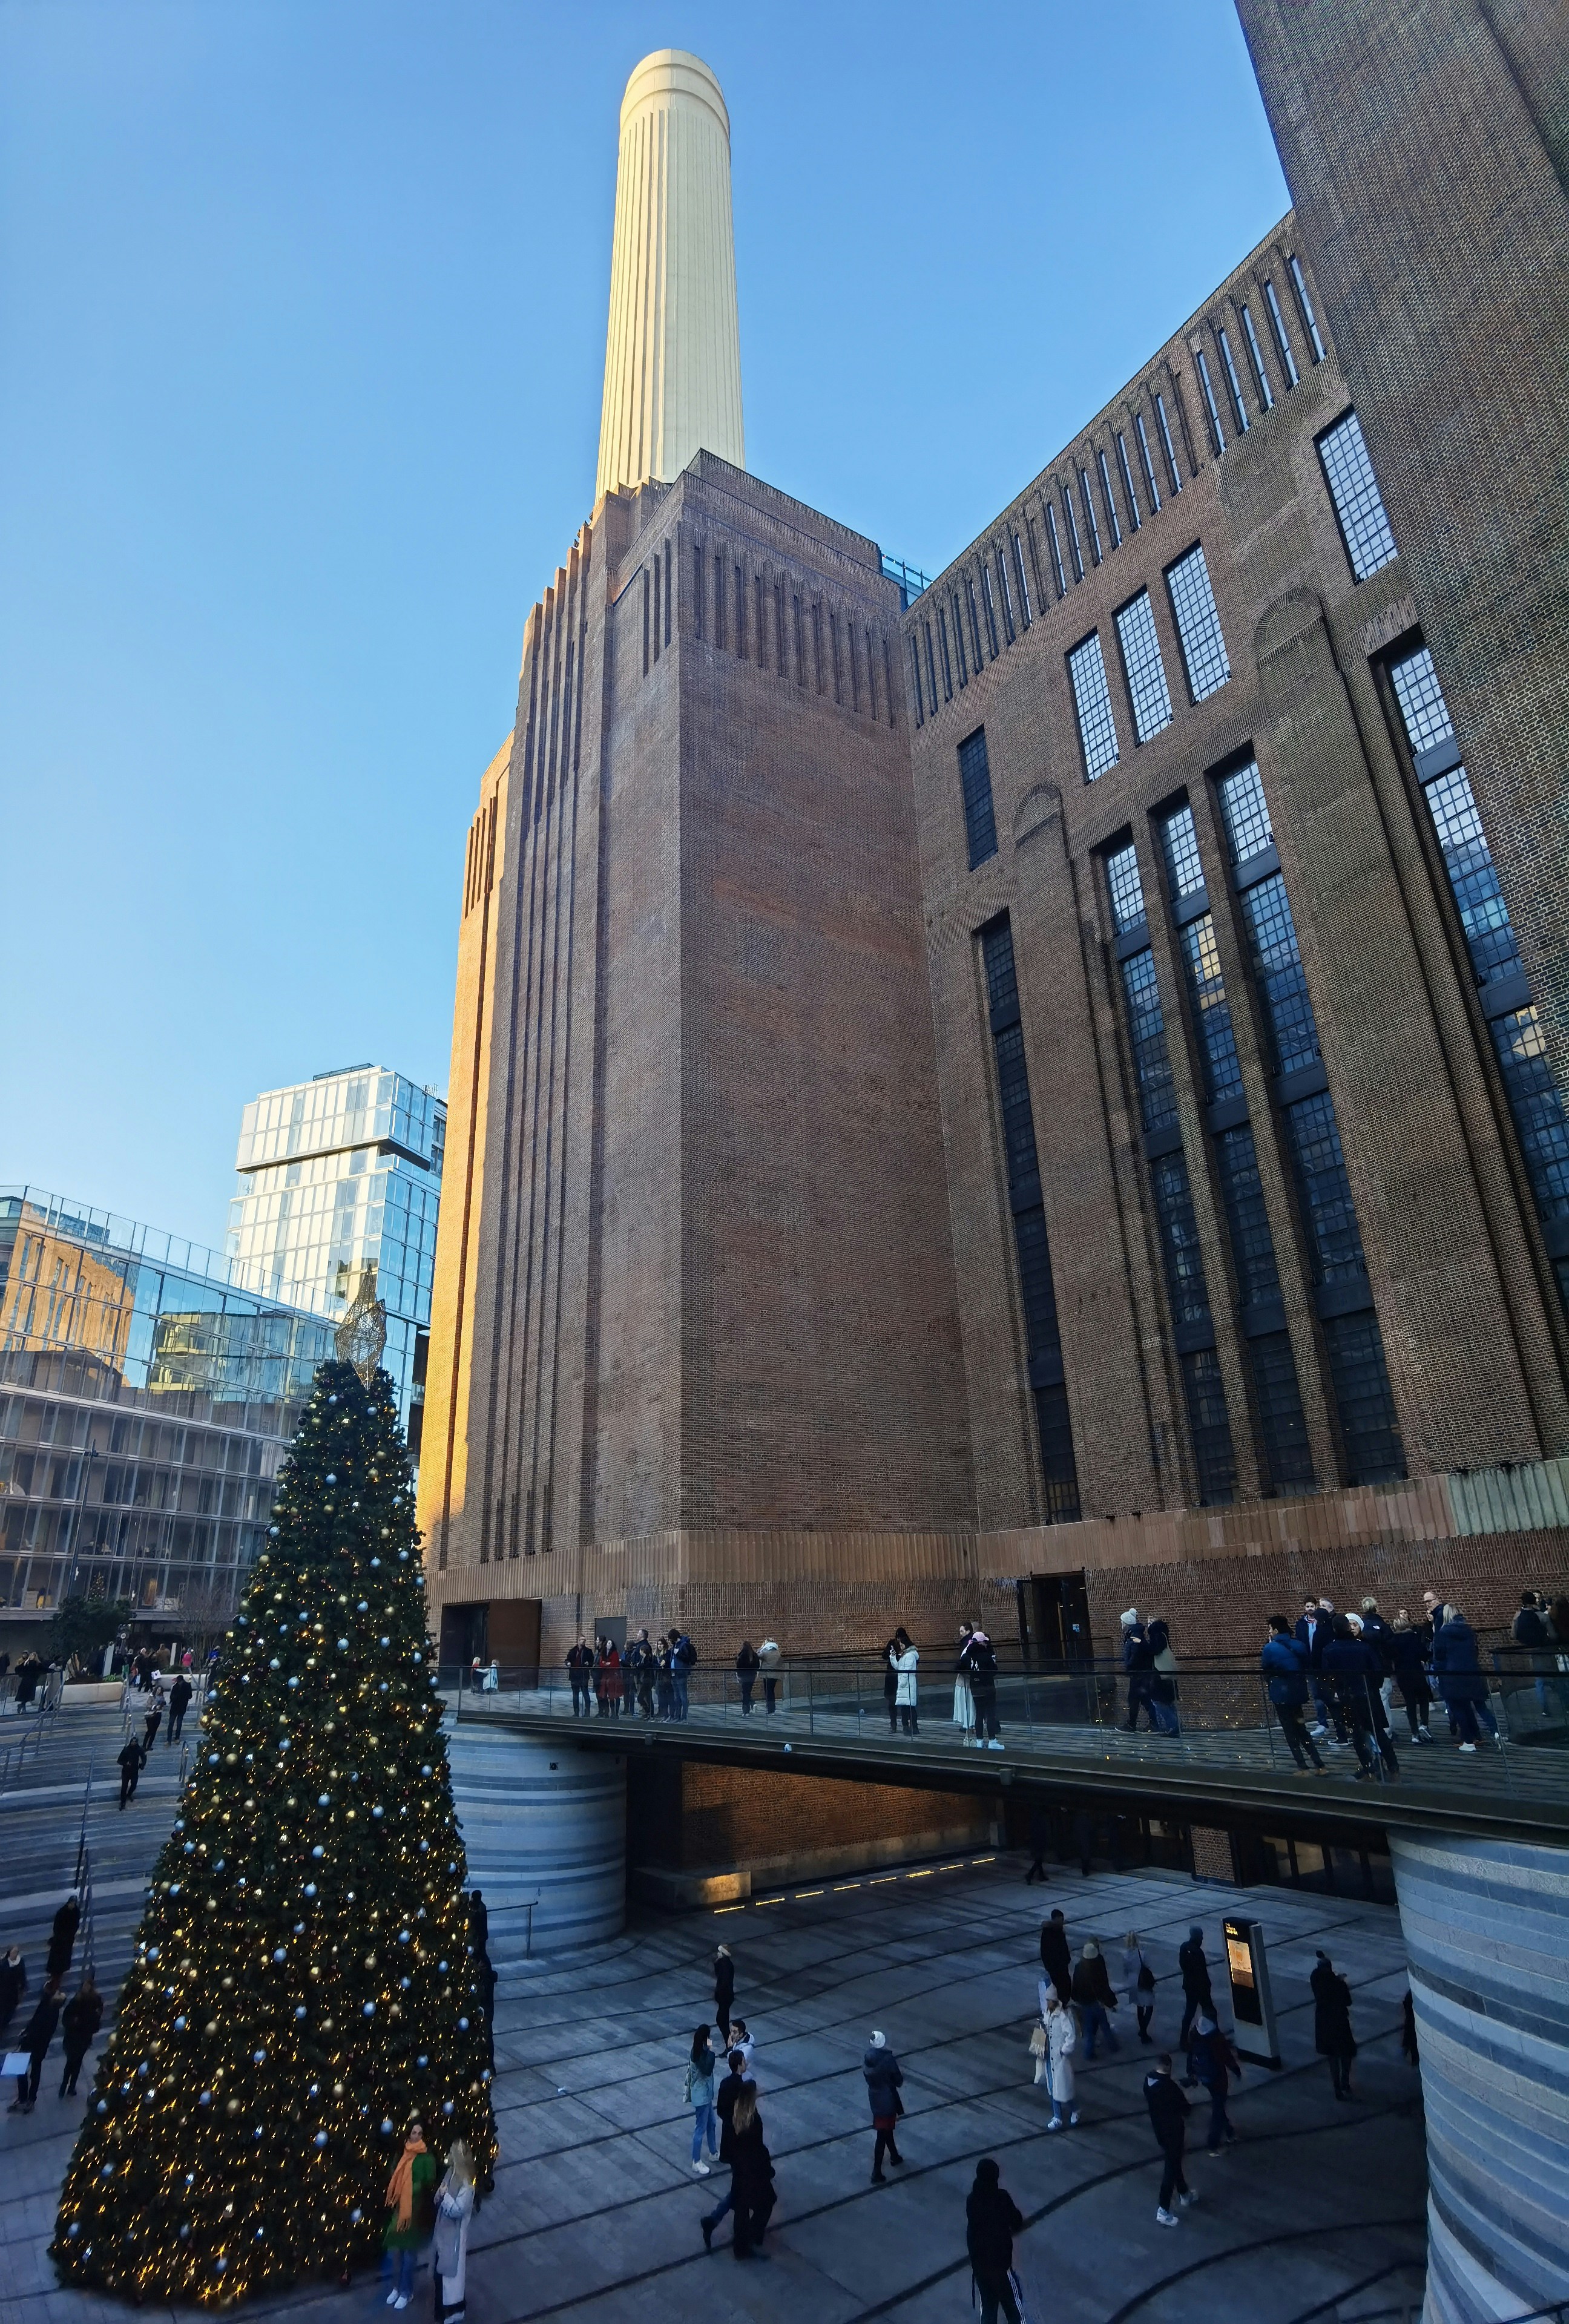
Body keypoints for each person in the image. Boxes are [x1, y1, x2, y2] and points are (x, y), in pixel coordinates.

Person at [1323, 1612, 1400, 1780]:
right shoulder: (1363, 1647)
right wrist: (1373, 1687)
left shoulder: (1330, 1650)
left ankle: (1368, 1769)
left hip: (1348, 1697)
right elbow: (1377, 1671)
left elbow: (1328, 1676)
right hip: (1368, 1695)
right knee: (1379, 1733)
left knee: (1357, 1736)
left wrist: (1336, 1692)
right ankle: (1393, 1768)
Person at [700, 2047, 752, 2251]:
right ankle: (715, 2222)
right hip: (740, 2145)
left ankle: (713, 2221)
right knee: (740, 2189)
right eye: (744, 2061)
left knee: (737, 2188)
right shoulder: (742, 2088)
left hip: (729, 2143)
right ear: (740, 2065)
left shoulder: (724, 2083)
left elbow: (721, 2110)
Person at [381, 2118, 436, 2309]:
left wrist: (412, 2186)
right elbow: (393, 2171)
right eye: (414, 2133)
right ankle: (396, 2288)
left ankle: (407, 2291)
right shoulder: (402, 2153)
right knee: (396, 2251)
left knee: (409, 2255)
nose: (417, 2137)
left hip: (415, 2211)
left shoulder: (426, 2158)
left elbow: (429, 2181)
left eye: (420, 2134)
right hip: (400, 2210)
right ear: (409, 2134)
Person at [1260, 1615, 1326, 1771]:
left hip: (1281, 1694)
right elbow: (1305, 1665)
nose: (1270, 1632)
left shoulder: (1269, 1648)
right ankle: (1318, 1763)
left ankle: (1302, 1766)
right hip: (1297, 1691)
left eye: (1270, 1629)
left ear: (1275, 1630)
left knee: (1289, 1731)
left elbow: (1265, 1668)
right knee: (1301, 1728)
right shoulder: (1299, 1645)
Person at [965, 2158, 1025, 2324]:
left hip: (980, 2267)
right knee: (1014, 2306)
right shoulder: (1001, 2198)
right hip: (1000, 2266)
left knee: (989, 2308)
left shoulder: (972, 2200)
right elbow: (1016, 2220)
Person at [1431, 1604, 1499, 1750]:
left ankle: (1468, 1742)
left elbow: (1440, 1655)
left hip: (1452, 1674)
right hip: (1471, 1671)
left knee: (1458, 1707)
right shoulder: (1468, 1630)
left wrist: (1437, 1671)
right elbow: (1474, 1650)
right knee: (1478, 1705)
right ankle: (1493, 1733)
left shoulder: (1443, 1633)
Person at [1145, 2053, 1196, 2227]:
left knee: (1174, 2163)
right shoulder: (1170, 2088)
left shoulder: (1148, 2082)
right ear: (1169, 2067)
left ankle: (1184, 2193)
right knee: (1171, 2167)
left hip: (1159, 2131)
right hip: (1174, 2132)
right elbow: (1186, 2110)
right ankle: (1163, 2209)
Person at [728, 2086, 775, 2259]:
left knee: (741, 2208)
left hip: (740, 2170)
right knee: (767, 2202)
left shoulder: (737, 2115)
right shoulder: (753, 2120)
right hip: (753, 2170)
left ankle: (741, 2246)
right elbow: (758, 2148)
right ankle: (751, 2238)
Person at [432, 2139, 475, 2322]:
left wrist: (445, 2196)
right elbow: (438, 2199)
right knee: (438, 2276)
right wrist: (440, 2195)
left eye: (451, 2153)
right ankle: (443, 2311)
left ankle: (452, 2312)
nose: (448, 2156)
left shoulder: (467, 2186)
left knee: (449, 2280)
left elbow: (457, 2210)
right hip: (442, 2234)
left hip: (454, 2239)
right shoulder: (450, 2174)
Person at [9, 1976, 63, 2113]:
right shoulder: (47, 2005)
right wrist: (26, 2030)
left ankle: (28, 2099)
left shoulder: (50, 2011)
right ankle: (26, 2098)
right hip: (36, 2044)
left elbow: (40, 2029)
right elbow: (35, 2021)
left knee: (28, 2071)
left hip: (35, 2045)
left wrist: (27, 2037)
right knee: (29, 2071)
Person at [1188, 2014, 1241, 2155]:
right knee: (1218, 2109)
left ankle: (1230, 2132)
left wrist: (1192, 2074)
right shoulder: (1216, 2041)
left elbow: (1191, 2057)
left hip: (1206, 2078)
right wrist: (1236, 2070)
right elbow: (1227, 2057)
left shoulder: (1195, 2039)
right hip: (1219, 2079)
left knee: (1219, 2105)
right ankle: (1213, 2144)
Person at [1297, 1598, 1347, 1745]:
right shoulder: (1306, 1625)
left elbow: (1318, 1651)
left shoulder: (1324, 1631)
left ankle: (1342, 1732)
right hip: (1322, 1669)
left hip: (1323, 1670)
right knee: (1327, 1698)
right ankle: (1333, 1726)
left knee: (1331, 1700)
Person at [1310, 1949, 1357, 2099]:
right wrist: (1340, 1980)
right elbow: (1348, 2001)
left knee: (1332, 2056)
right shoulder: (1338, 1985)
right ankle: (1345, 2081)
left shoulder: (1315, 1979)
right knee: (1347, 2052)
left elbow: (1321, 1975)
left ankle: (1337, 2087)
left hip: (1324, 2022)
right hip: (1339, 2021)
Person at [863, 2029, 905, 2181]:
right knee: (883, 2133)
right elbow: (898, 2081)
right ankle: (876, 2172)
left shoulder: (868, 2059)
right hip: (888, 2099)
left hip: (875, 2098)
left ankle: (894, 2156)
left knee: (885, 2130)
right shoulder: (887, 2060)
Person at [1390, 1611, 1435, 1742]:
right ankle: (1424, 1724)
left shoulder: (1393, 1641)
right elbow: (1423, 1654)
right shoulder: (1414, 1638)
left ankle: (1414, 1732)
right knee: (1423, 1699)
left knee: (1410, 1703)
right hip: (1417, 1673)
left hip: (1403, 1675)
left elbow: (1390, 1656)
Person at [1071, 1940, 1120, 2058]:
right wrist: (1110, 2002)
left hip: (1084, 2003)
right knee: (1104, 2025)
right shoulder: (1098, 1968)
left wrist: (1075, 1999)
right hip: (1098, 2003)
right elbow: (1104, 1986)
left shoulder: (1079, 1967)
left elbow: (1075, 1985)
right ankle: (1113, 2046)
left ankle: (1089, 2053)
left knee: (1088, 2030)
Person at [58, 1972, 102, 2099]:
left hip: (83, 2037)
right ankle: (65, 2086)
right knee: (71, 2062)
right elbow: (67, 2017)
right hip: (74, 2036)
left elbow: (98, 2014)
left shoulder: (95, 2001)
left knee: (76, 2063)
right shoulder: (77, 2001)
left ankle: (70, 2087)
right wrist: (74, 2023)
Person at [1038, 1992, 1077, 2130]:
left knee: (1063, 2089)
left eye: (1049, 2000)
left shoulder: (1062, 2017)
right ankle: (1057, 2117)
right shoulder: (1048, 2015)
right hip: (1050, 2057)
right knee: (1053, 2088)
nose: (1047, 2002)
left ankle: (1074, 2110)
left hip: (1060, 2059)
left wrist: (1064, 2050)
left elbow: (1071, 2036)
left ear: (1054, 2001)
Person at [685, 2023, 719, 2174]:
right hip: (701, 2097)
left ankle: (713, 2152)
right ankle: (696, 2161)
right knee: (700, 2128)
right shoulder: (698, 2052)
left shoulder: (700, 2049)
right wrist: (711, 2051)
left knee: (711, 2123)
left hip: (706, 2095)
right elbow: (707, 2069)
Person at [965, 1626, 1004, 1749]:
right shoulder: (985, 1655)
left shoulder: (968, 1655)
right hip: (987, 1686)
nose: (986, 1643)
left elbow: (959, 1665)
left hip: (975, 1687)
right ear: (981, 1642)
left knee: (979, 1714)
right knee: (990, 1714)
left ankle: (979, 1741)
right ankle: (992, 1740)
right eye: (984, 1641)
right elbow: (994, 1670)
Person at [1177, 1926, 1212, 2061]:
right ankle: (1213, 2037)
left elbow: (1183, 1966)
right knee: (1209, 2012)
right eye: (1202, 1936)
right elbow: (1203, 1973)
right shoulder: (1198, 1952)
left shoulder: (1184, 1948)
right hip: (1200, 1988)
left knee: (1189, 2013)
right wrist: (1207, 1986)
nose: (1203, 1939)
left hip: (1189, 1986)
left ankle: (1183, 2039)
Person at [1145, 1617, 1180, 1735]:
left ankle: (1174, 1726)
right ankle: (1176, 1726)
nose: (1148, 1625)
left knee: (1158, 1702)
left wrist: (1143, 1644)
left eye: (1150, 1623)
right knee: (1168, 1702)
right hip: (1167, 1676)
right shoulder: (1164, 1636)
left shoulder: (1158, 1636)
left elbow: (1153, 1650)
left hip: (1160, 1676)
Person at [1120, 1609, 1153, 1731]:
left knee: (1135, 1698)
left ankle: (1132, 1724)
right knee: (1143, 1698)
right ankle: (1150, 1723)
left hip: (1138, 1673)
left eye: (1122, 1622)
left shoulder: (1134, 1637)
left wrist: (1129, 1666)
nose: (1121, 1625)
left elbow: (1135, 1654)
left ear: (1127, 1623)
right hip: (1140, 1673)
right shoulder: (1134, 1635)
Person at [1122, 1932, 1156, 2043]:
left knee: (1139, 2007)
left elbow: (1125, 1970)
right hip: (1143, 1981)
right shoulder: (1142, 1953)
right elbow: (1148, 1966)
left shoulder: (1125, 1955)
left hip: (1132, 1982)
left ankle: (1142, 2029)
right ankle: (1144, 2031)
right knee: (1149, 2007)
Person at [1039, 1908, 1072, 2007]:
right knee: (1062, 1985)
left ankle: (1063, 2003)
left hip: (1060, 1964)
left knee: (1064, 1984)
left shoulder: (1057, 1931)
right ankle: (1062, 2004)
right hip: (1056, 1966)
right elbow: (1047, 1952)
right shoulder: (1052, 1933)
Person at [45, 1894, 80, 1983]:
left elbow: (76, 1925)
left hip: (68, 1939)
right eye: (71, 1903)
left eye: (74, 1903)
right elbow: (56, 1926)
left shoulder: (76, 1912)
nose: (72, 1905)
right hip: (59, 1939)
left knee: (65, 1957)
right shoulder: (61, 1912)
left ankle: (61, 1971)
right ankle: (52, 1971)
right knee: (56, 1957)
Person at [952, 1621, 976, 1744]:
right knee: (970, 1707)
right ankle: (971, 1732)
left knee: (968, 1707)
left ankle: (970, 1734)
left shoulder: (967, 1645)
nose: (960, 1634)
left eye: (962, 1631)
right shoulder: (968, 1644)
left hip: (966, 1681)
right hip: (967, 1680)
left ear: (968, 1631)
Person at [893, 1629, 920, 1736]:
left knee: (909, 1708)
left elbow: (906, 1671)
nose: (901, 1646)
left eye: (902, 1645)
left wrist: (902, 1682)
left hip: (907, 1685)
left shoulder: (909, 1656)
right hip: (905, 1685)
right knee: (906, 1708)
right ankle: (908, 1727)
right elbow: (898, 1667)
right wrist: (892, 1657)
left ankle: (912, 1727)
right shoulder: (905, 1655)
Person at [627, 1627, 656, 1719]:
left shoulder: (644, 1646)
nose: (637, 1635)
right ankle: (645, 1712)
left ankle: (646, 1712)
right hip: (639, 1674)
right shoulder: (639, 1645)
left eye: (639, 1634)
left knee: (643, 1695)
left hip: (643, 1676)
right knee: (642, 1695)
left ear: (642, 1635)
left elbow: (643, 1662)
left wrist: (637, 1665)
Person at [0, 1944, 26, 2036]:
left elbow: (23, 1976)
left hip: (13, 1991)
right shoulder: (4, 1964)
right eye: (13, 1952)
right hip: (3, 1991)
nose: (15, 1954)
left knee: (10, 2010)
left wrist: (23, 1988)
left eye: (16, 1952)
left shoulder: (20, 1962)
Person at [565, 1636, 594, 1717]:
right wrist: (568, 1663)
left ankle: (587, 1712)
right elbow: (567, 1660)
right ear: (578, 1641)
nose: (583, 1641)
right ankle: (576, 1712)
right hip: (574, 1675)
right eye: (582, 1640)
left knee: (585, 1693)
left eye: (585, 1640)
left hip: (584, 1675)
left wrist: (589, 1664)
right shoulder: (573, 1651)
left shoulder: (588, 1651)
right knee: (575, 1695)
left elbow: (592, 1662)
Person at [671, 1630, 696, 1720]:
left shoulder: (684, 1645)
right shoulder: (675, 1645)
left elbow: (687, 1659)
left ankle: (684, 1716)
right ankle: (677, 1716)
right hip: (674, 1673)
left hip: (681, 1673)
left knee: (683, 1696)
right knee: (677, 1696)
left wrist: (678, 1653)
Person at [1024, 1804, 1050, 1886]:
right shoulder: (1040, 1819)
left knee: (1039, 1860)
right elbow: (1042, 1832)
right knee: (1038, 1861)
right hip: (1039, 1842)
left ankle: (1040, 1875)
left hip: (1036, 1842)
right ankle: (1030, 1875)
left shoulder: (1035, 1819)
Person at [117, 1732, 145, 1810]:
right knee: (124, 1787)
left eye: (135, 1742)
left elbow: (144, 1757)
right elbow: (119, 1760)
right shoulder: (126, 1750)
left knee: (134, 1784)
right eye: (133, 1742)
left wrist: (142, 1765)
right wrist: (126, 1763)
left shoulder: (139, 1749)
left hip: (135, 1770)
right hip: (126, 1771)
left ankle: (129, 1795)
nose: (133, 1743)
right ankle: (123, 1801)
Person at [714, 1944, 735, 2041]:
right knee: (723, 2020)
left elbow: (724, 1981)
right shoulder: (724, 1963)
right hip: (726, 1996)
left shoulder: (725, 1965)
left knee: (722, 2020)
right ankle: (729, 2044)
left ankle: (729, 2043)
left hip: (725, 1996)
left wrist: (719, 1993)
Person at [596, 1637, 621, 1718]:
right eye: (608, 1643)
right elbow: (601, 1663)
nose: (609, 1644)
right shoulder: (603, 1653)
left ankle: (614, 1713)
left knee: (613, 1696)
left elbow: (615, 1664)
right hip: (605, 1676)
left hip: (613, 1676)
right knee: (605, 1694)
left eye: (611, 1643)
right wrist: (606, 1664)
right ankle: (606, 1712)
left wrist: (608, 1664)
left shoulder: (614, 1653)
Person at [167, 1669, 192, 1743]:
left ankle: (169, 1739)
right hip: (182, 1706)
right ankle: (177, 1738)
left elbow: (172, 1697)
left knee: (172, 1723)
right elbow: (190, 1696)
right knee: (179, 1722)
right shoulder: (187, 1686)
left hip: (175, 1707)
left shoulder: (175, 1687)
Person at [758, 1636, 781, 1714]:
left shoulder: (765, 1653)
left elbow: (757, 1655)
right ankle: (772, 1709)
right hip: (775, 1676)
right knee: (772, 1692)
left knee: (768, 1692)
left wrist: (761, 1648)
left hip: (767, 1676)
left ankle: (770, 1709)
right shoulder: (778, 1653)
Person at [882, 1636, 901, 1733]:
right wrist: (890, 1653)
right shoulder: (893, 1644)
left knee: (895, 1702)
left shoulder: (903, 1646)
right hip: (894, 1677)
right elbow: (884, 1655)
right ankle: (895, 1725)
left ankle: (897, 1725)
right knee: (893, 1702)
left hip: (896, 1676)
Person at [735, 1641, 760, 1714]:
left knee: (745, 1693)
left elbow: (738, 1667)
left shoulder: (742, 1656)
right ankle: (752, 1704)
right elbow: (758, 1666)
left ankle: (746, 1711)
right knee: (747, 1692)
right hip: (752, 1676)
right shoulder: (754, 1655)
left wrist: (738, 1675)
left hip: (744, 1677)